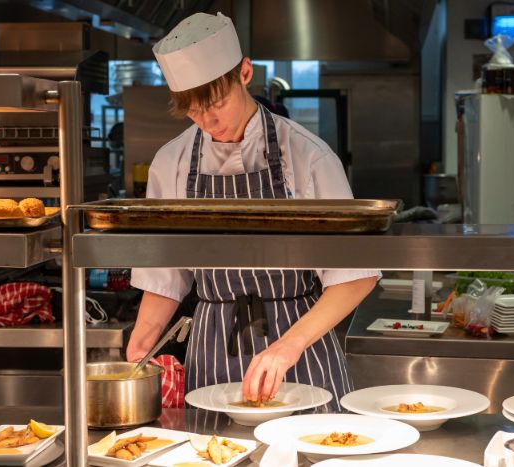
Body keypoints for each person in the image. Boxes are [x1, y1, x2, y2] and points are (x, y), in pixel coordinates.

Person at [126, 12, 379, 411]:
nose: (208, 123)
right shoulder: (170, 162)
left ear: (244, 73)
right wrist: (145, 336)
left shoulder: (308, 156)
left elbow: (354, 276)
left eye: (216, 105)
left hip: (301, 345)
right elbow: (165, 274)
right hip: (212, 347)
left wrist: (287, 346)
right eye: (193, 111)